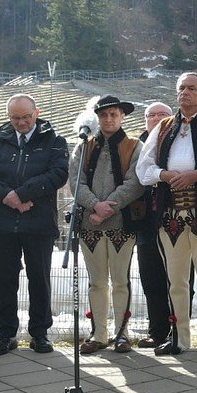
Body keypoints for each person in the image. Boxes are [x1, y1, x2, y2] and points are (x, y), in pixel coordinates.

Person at [137, 72, 197, 356]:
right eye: (181, 88)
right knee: (175, 279)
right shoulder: (163, 127)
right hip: (169, 214)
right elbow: (143, 168)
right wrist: (164, 175)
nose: (185, 93)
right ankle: (179, 337)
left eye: (191, 88)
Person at [0, 94, 68, 357]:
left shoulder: (54, 141)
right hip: (2, 223)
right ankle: (6, 334)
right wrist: (8, 196)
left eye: (26, 117)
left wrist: (22, 194)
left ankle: (39, 333)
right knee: (4, 281)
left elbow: (58, 174)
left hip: (38, 222)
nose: (21, 122)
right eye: (15, 118)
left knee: (39, 279)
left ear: (36, 112)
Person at [68, 96, 145, 355]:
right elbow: (76, 182)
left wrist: (106, 208)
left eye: (113, 114)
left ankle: (122, 333)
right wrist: (94, 205)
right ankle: (99, 333)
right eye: (103, 115)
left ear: (122, 116)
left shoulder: (135, 146)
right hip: (90, 225)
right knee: (96, 282)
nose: (108, 119)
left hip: (121, 223)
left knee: (121, 280)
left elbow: (135, 183)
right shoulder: (84, 147)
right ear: (97, 118)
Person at [136, 102, 174, 348]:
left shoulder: (180, 142)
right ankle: (157, 332)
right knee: (151, 280)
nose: (157, 119)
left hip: (176, 221)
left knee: (179, 281)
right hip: (146, 223)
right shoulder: (136, 146)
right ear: (145, 120)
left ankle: (178, 331)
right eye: (152, 115)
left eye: (163, 115)